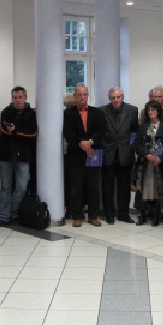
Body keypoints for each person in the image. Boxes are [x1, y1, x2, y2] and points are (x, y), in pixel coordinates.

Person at [0, 86, 37, 227]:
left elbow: (32, 133)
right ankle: (3, 216)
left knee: (22, 187)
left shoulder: (32, 114)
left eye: (20, 97)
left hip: (23, 156)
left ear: (25, 97)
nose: (17, 100)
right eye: (14, 98)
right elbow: (3, 129)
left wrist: (16, 130)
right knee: (5, 187)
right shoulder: (6, 112)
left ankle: (14, 212)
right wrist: (14, 131)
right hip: (6, 155)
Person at [63, 84, 105, 227]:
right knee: (76, 187)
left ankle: (93, 216)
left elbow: (101, 131)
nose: (82, 97)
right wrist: (81, 143)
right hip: (76, 154)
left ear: (88, 96)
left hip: (94, 153)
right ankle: (77, 216)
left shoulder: (97, 112)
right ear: (75, 96)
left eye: (85, 94)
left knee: (94, 186)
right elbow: (68, 133)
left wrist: (90, 142)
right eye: (79, 94)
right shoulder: (68, 113)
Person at [101, 87, 138, 224]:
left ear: (122, 97)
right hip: (108, 152)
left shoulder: (132, 110)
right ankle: (109, 214)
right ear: (110, 98)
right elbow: (100, 131)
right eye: (113, 97)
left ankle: (124, 214)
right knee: (108, 186)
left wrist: (131, 147)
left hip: (125, 153)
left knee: (124, 187)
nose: (116, 100)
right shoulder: (102, 110)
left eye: (118, 97)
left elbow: (134, 131)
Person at [134, 100, 163, 226]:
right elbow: (137, 145)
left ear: (158, 111)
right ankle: (142, 216)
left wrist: (161, 158)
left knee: (158, 189)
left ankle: (157, 217)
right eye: (148, 110)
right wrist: (147, 155)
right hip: (146, 162)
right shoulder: (143, 126)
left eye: (153, 110)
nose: (150, 112)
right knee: (144, 188)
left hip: (159, 164)